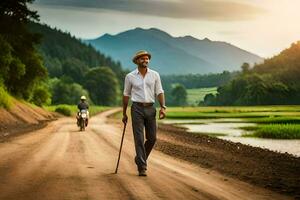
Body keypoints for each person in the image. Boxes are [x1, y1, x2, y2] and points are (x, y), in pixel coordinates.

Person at [122, 50, 167, 176]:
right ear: (137, 61)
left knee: (152, 138)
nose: (145, 60)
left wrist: (163, 107)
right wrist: (124, 113)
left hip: (151, 108)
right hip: (136, 108)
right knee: (139, 138)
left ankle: (139, 158)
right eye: (142, 59)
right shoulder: (130, 77)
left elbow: (159, 91)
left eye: (147, 58)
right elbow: (126, 95)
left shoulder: (155, 75)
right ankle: (142, 166)